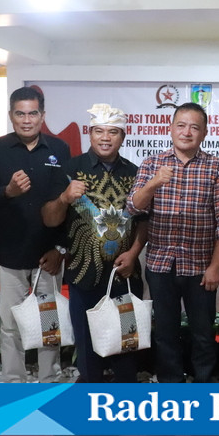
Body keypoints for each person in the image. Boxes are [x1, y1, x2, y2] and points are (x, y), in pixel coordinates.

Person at [127, 102, 219, 383]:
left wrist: (216, 266)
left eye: (194, 127)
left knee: (202, 330)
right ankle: (170, 381)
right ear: (171, 129)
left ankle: (203, 382)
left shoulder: (216, 168)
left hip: (201, 267)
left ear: (205, 133)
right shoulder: (152, 165)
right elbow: (133, 208)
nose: (187, 132)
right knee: (165, 329)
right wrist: (152, 184)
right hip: (161, 264)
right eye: (181, 125)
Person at [42, 104, 147, 383]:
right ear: (90, 134)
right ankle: (90, 416)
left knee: (126, 347)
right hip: (83, 274)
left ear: (123, 137)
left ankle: (124, 415)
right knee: (88, 355)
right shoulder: (70, 169)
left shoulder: (136, 173)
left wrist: (134, 254)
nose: (105, 137)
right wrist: (64, 198)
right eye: (99, 131)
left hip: (125, 276)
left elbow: (145, 221)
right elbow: (50, 219)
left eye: (113, 132)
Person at [0, 86, 71, 383]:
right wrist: (8, 191)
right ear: (11, 116)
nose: (26, 120)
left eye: (32, 113)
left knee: (48, 320)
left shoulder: (59, 150)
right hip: (8, 251)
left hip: (47, 254)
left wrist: (60, 248)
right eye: (20, 113)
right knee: (11, 322)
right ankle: (13, 379)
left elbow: (68, 203)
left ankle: (49, 378)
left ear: (42, 116)